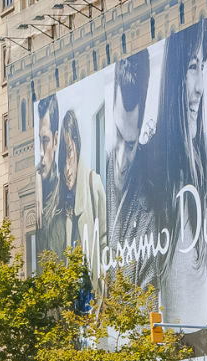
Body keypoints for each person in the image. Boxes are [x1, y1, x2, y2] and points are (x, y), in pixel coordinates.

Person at [152, 19, 207, 356]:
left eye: (202, 67)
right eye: (192, 67)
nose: (199, 86)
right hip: (166, 342)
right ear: (176, 73)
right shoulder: (153, 161)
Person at [106, 49, 159, 288]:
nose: (121, 158)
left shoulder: (149, 210)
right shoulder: (102, 175)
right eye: (118, 135)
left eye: (130, 145)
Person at [52, 108, 109, 310]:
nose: (67, 169)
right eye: (63, 161)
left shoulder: (94, 184)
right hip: (73, 318)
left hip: (97, 309)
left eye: (69, 154)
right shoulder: (61, 209)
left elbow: (106, 245)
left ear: (77, 148)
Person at [32, 94, 64, 271]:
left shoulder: (64, 191)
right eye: (40, 141)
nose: (42, 153)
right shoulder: (38, 183)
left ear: (56, 140)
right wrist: (36, 177)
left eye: (46, 141)